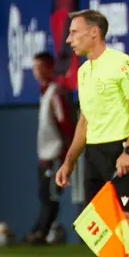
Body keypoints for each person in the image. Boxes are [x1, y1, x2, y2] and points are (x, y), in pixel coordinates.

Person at [54, 9, 129, 257]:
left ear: (94, 33)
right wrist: (70, 161)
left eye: (74, 32)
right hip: (94, 154)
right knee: (100, 230)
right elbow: (84, 121)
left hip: (120, 151)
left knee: (125, 231)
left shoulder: (122, 64)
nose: (69, 39)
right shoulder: (84, 71)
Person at [24, 52, 75, 245]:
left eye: (39, 67)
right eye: (34, 68)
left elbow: (65, 124)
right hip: (45, 154)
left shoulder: (55, 93)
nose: (36, 72)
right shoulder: (44, 93)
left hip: (55, 153)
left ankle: (42, 233)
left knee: (51, 196)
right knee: (44, 194)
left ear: (49, 67)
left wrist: (66, 155)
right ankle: (38, 229)